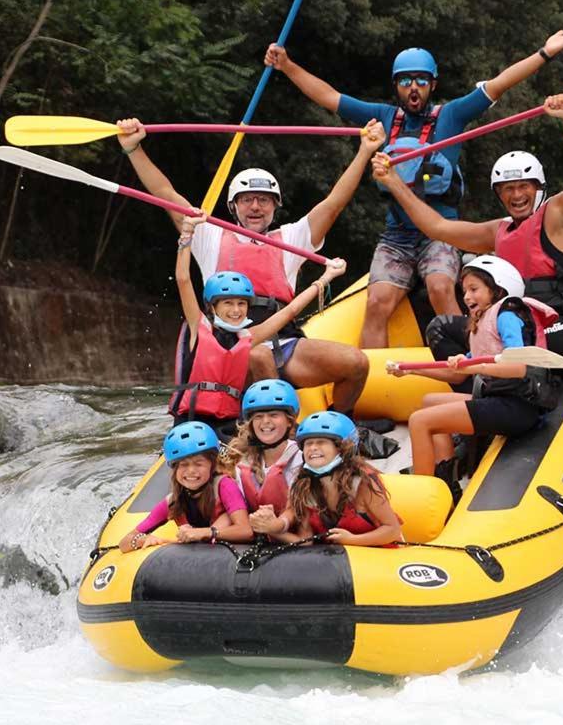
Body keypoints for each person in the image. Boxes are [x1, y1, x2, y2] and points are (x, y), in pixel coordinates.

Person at [265, 31, 563, 348]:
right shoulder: (382, 117)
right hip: (397, 235)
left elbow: (500, 83)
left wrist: (544, 53)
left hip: (441, 233)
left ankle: (468, 359)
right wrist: (287, 65)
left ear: (432, 84)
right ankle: (367, 378)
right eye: (406, 82)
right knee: (377, 302)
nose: (414, 88)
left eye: (421, 80)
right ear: (397, 87)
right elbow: (328, 96)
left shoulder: (451, 116)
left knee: (439, 286)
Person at [117, 117, 387, 413]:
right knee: (259, 356)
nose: (255, 207)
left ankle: (333, 432)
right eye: (246, 200)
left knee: (356, 363)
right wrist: (134, 150)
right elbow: (165, 194)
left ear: (275, 206)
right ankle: (276, 436)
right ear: (233, 207)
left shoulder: (292, 238)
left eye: (263, 200)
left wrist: (364, 151)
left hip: (283, 340)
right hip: (228, 346)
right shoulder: (209, 234)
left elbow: (334, 203)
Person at [372, 92, 563, 365]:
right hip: (518, 325)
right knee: (441, 328)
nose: (516, 195)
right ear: (499, 194)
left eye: (523, 186)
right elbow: (437, 227)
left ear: (539, 188)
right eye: (508, 189)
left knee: (509, 331)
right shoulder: (499, 231)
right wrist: (393, 182)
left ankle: (517, 384)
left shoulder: (560, 214)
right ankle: (478, 390)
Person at [388, 256, 560, 504]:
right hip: (497, 399)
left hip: (517, 407)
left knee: (419, 421)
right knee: (429, 401)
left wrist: (472, 365)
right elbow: (457, 372)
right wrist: (411, 371)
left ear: (497, 289)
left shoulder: (506, 315)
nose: (467, 297)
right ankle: (446, 484)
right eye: (465, 291)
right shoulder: (481, 323)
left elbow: (519, 367)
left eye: (474, 289)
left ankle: (422, 499)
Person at [171, 212, 346, 439]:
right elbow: (183, 279)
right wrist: (187, 234)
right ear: (212, 307)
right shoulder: (199, 326)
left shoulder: (248, 336)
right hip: (193, 421)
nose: (236, 310)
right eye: (228, 303)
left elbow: (291, 310)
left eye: (241, 304)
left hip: (230, 424)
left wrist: (326, 278)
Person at [249, 411, 402, 547]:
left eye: (321, 442)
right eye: (308, 443)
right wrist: (271, 528)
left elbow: (392, 530)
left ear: (343, 448)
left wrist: (352, 540)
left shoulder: (362, 482)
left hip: (378, 557)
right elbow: (305, 539)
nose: (313, 448)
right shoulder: (303, 485)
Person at [119, 421, 253, 552]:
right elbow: (124, 543)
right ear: (175, 469)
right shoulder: (172, 502)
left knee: (226, 518)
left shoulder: (224, 486)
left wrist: (203, 532)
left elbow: (246, 531)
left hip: (227, 554)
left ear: (212, 465)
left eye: (198, 464)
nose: (191, 471)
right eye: (183, 465)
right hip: (195, 560)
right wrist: (141, 540)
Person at [217, 378, 303, 518]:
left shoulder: (303, 459)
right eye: (258, 416)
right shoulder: (241, 461)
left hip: (289, 532)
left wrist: (277, 527)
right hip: (254, 531)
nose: (265, 422)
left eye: (274, 415)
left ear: (289, 421)